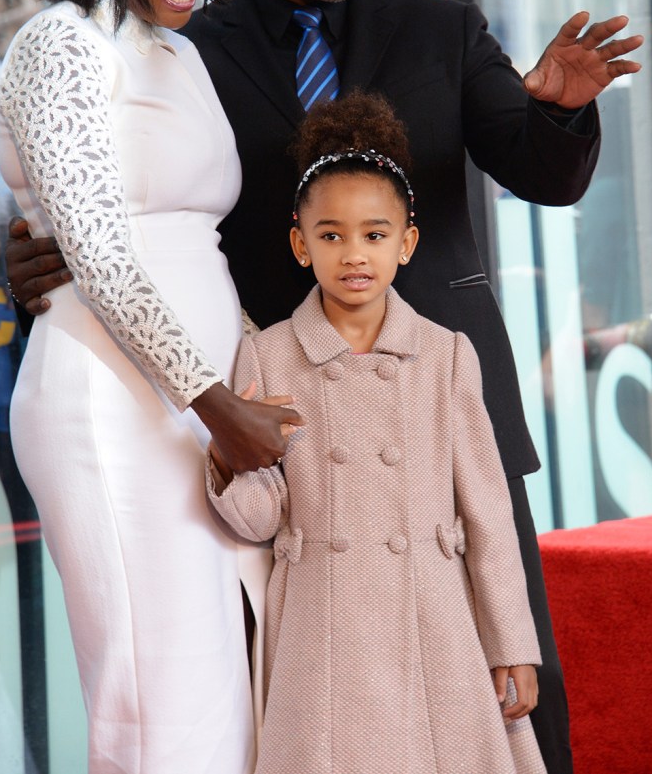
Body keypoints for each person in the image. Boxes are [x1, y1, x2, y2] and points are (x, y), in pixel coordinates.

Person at [5, 0, 644, 774]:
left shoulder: (440, 29)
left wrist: (556, 110)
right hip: (279, 423)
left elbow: (540, 175)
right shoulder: (188, 45)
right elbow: (127, 200)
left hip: (437, 402)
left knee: (505, 684)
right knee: (312, 689)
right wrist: (35, 249)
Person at [0, 0, 300, 774]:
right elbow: (101, 256)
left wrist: (253, 384)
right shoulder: (62, 43)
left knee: (229, 701)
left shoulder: (180, 53)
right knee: (160, 708)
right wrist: (218, 407)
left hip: (205, 412)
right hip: (111, 408)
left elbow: (196, 248)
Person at [206, 88, 547, 774]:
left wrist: (511, 639)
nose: (353, 254)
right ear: (301, 244)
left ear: (406, 243)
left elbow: (487, 514)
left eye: (374, 234)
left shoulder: (446, 355)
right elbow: (260, 518)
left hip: (435, 618)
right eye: (331, 235)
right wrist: (227, 453)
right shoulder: (268, 353)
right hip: (319, 626)